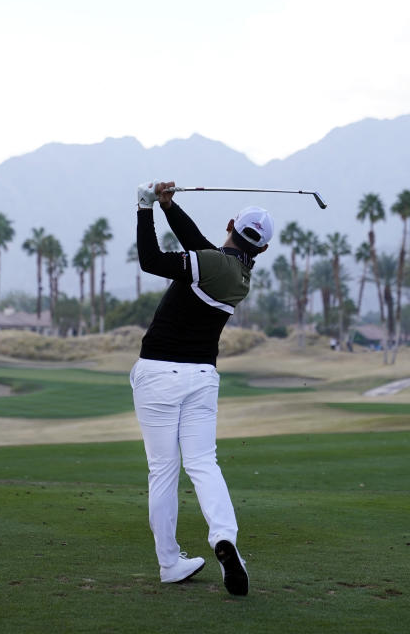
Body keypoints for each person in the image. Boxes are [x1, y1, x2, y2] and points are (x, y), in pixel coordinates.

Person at [130, 180, 274, 597]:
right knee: (203, 464)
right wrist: (169, 207)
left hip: (158, 372)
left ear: (230, 224)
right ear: (262, 249)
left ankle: (170, 562)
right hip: (202, 379)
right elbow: (203, 246)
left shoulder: (211, 263)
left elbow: (150, 260)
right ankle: (225, 539)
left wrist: (144, 209)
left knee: (163, 470)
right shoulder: (239, 275)